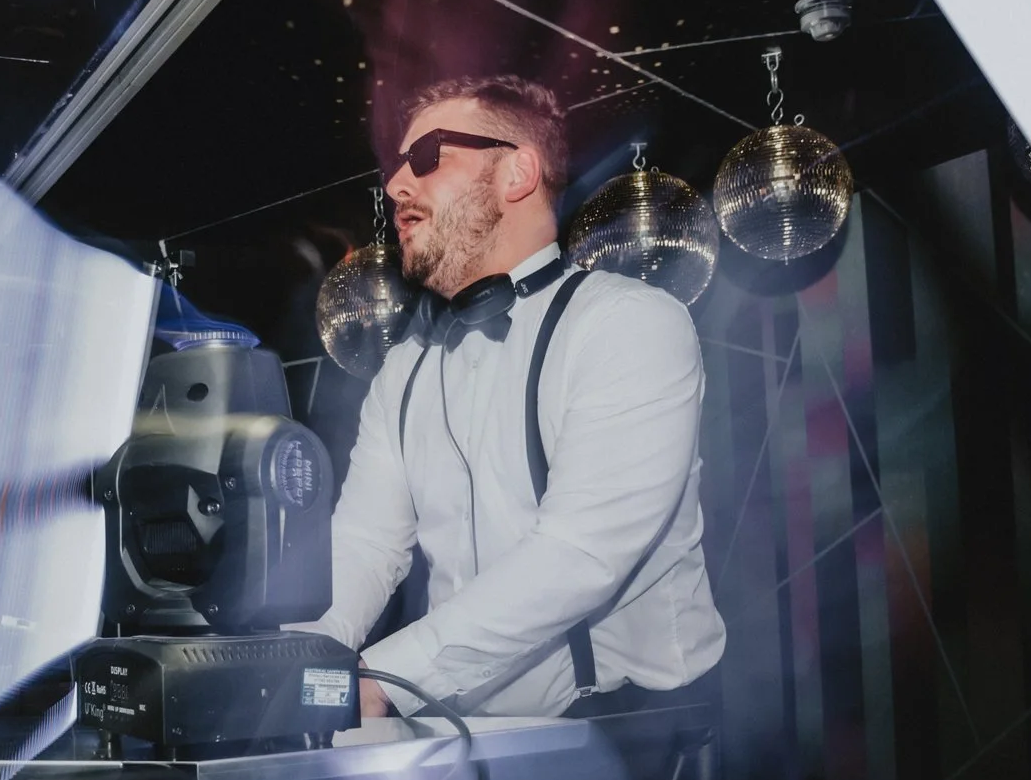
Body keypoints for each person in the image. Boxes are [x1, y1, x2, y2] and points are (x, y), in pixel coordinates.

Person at [300, 75, 724, 718]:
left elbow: (579, 554)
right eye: (395, 167)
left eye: (426, 157)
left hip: (630, 735)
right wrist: (292, 665)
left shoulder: (630, 323)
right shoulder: (404, 369)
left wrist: (386, 678)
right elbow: (366, 544)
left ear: (517, 172)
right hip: (456, 726)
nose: (395, 187)